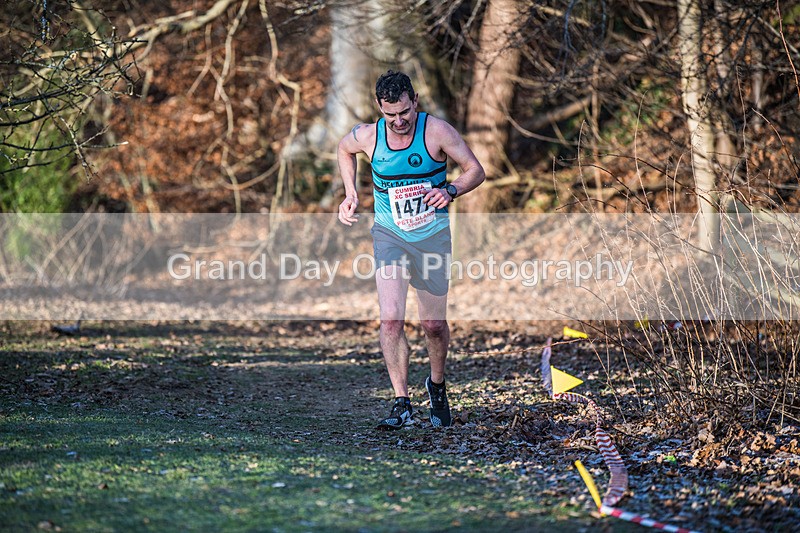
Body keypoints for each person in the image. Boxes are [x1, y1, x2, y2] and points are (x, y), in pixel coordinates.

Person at [336, 70, 485, 430]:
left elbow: (475, 171)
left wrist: (449, 191)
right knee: (391, 319)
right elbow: (344, 149)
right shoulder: (368, 136)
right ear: (379, 108)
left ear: (414, 101)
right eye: (391, 115)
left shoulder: (436, 131)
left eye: (405, 112)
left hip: (432, 237)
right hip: (390, 236)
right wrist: (351, 193)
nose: (399, 121)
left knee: (433, 325)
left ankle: (436, 386)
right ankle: (401, 402)